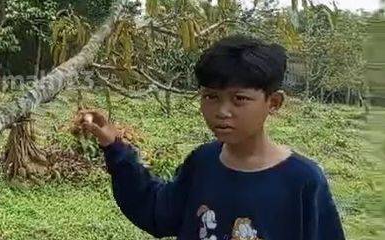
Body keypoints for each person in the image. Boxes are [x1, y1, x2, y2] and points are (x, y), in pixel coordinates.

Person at [76, 35, 345, 240]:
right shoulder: (203, 162)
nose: (222, 112)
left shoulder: (303, 180)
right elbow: (158, 212)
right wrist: (115, 147)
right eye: (210, 97)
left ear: (273, 102)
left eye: (239, 99)